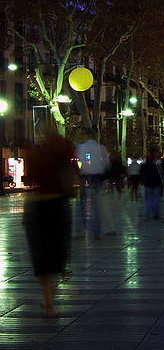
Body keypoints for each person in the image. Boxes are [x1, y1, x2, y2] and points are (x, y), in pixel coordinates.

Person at [24, 132, 78, 317]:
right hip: (57, 207)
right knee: (56, 253)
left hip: (37, 207)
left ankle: (46, 297)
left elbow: (32, 176)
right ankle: (49, 303)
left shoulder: (39, 157)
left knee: (41, 254)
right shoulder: (64, 160)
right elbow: (71, 186)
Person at [76, 129, 110, 239]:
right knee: (96, 205)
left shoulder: (81, 147)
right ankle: (97, 232)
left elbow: (80, 162)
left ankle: (83, 230)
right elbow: (106, 163)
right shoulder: (101, 148)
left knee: (82, 204)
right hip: (97, 177)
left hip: (85, 176)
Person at [140, 146, 164, 220]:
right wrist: (163, 182)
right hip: (156, 182)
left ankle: (146, 215)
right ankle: (155, 213)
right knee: (156, 198)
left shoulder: (145, 161)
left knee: (148, 199)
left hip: (147, 182)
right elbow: (161, 173)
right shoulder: (157, 162)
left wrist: (143, 180)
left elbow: (142, 171)